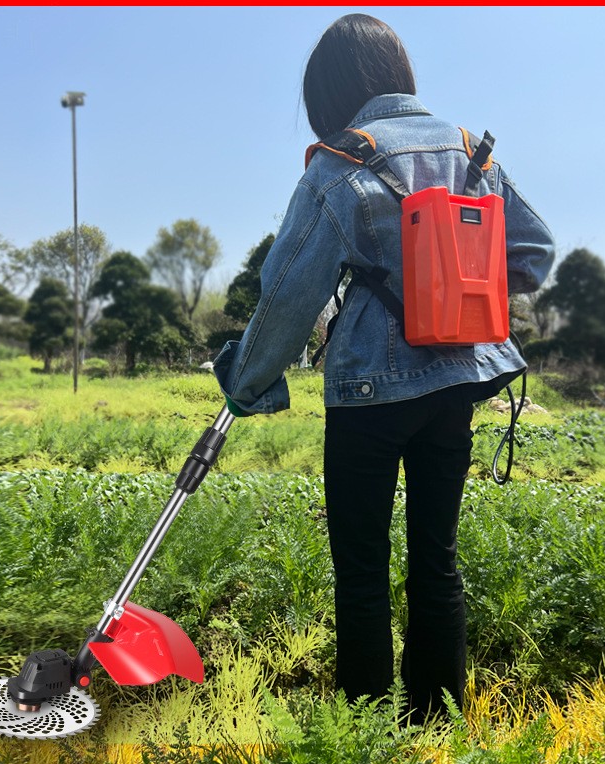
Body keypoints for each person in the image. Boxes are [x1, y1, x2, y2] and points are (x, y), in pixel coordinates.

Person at [213, 13, 554, 723]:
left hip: (369, 391)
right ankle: (435, 724)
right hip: (458, 382)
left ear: (330, 91)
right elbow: (534, 253)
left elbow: (287, 298)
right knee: (439, 560)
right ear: (399, 72)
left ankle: (364, 734)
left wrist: (248, 382)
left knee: (362, 569)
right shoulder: (472, 153)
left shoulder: (343, 162)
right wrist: (458, 288)